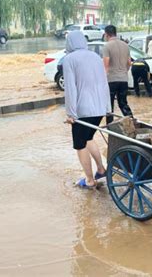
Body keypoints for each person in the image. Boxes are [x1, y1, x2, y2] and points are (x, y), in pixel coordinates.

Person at [63, 30, 110, 188]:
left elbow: (70, 88)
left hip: (83, 111)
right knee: (88, 138)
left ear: (69, 43)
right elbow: (104, 83)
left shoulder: (69, 59)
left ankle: (89, 180)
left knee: (80, 144)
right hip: (99, 109)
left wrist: (71, 114)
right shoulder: (96, 57)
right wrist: (107, 107)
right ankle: (101, 169)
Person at [103, 25, 133, 124]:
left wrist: (103, 79)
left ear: (106, 34)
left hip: (111, 80)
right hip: (124, 79)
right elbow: (129, 63)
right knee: (123, 103)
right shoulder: (125, 45)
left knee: (109, 105)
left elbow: (106, 65)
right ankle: (132, 122)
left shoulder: (107, 46)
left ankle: (109, 127)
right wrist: (124, 72)